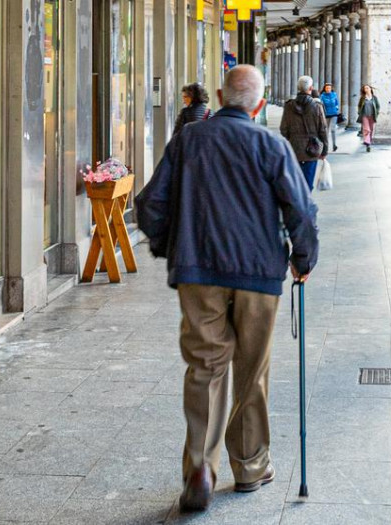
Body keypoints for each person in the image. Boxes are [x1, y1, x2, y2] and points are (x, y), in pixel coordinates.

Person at [135, 65, 319, 513]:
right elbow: (302, 210)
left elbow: (149, 205)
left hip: (199, 274)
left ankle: (200, 466)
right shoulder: (271, 145)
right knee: (251, 372)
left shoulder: (188, 141)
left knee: (205, 369)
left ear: (219, 96)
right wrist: (302, 261)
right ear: (260, 103)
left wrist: (170, 247)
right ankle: (251, 466)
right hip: (258, 276)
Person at [280, 76, 329, 189]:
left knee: (296, 183)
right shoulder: (317, 106)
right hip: (312, 149)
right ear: (311, 88)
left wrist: (292, 138)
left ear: (298, 88)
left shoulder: (289, 106)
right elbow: (322, 129)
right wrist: (325, 150)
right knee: (308, 183)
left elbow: (283, 129)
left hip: (294, 149)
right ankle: (305, 203)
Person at [357, 84, 380, 153]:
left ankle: (368, 144)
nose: (366, 89)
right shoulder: (363, 98)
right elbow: (359, 106)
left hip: (372, 116)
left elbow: (378, 106)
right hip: (364, 115)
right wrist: (359, 112)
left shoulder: (374, 98)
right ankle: (367, 141)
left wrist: (377, 113)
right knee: (367, 129)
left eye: (367, 88)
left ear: (370, 89)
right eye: (365, 88)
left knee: (371, 129)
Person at [319, 83, 341, 152]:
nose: (328, 89)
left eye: (329, 88)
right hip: (326, 115)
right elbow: (320, 105)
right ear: (324, 89)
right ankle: (326, 146)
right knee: (326, 131)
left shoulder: (334, 94)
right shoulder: (322, 96)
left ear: (331, 89)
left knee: (333, 129)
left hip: (334, 114)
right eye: (327, 88)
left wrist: (336, 109)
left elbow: (337, 103)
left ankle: (334, 145)